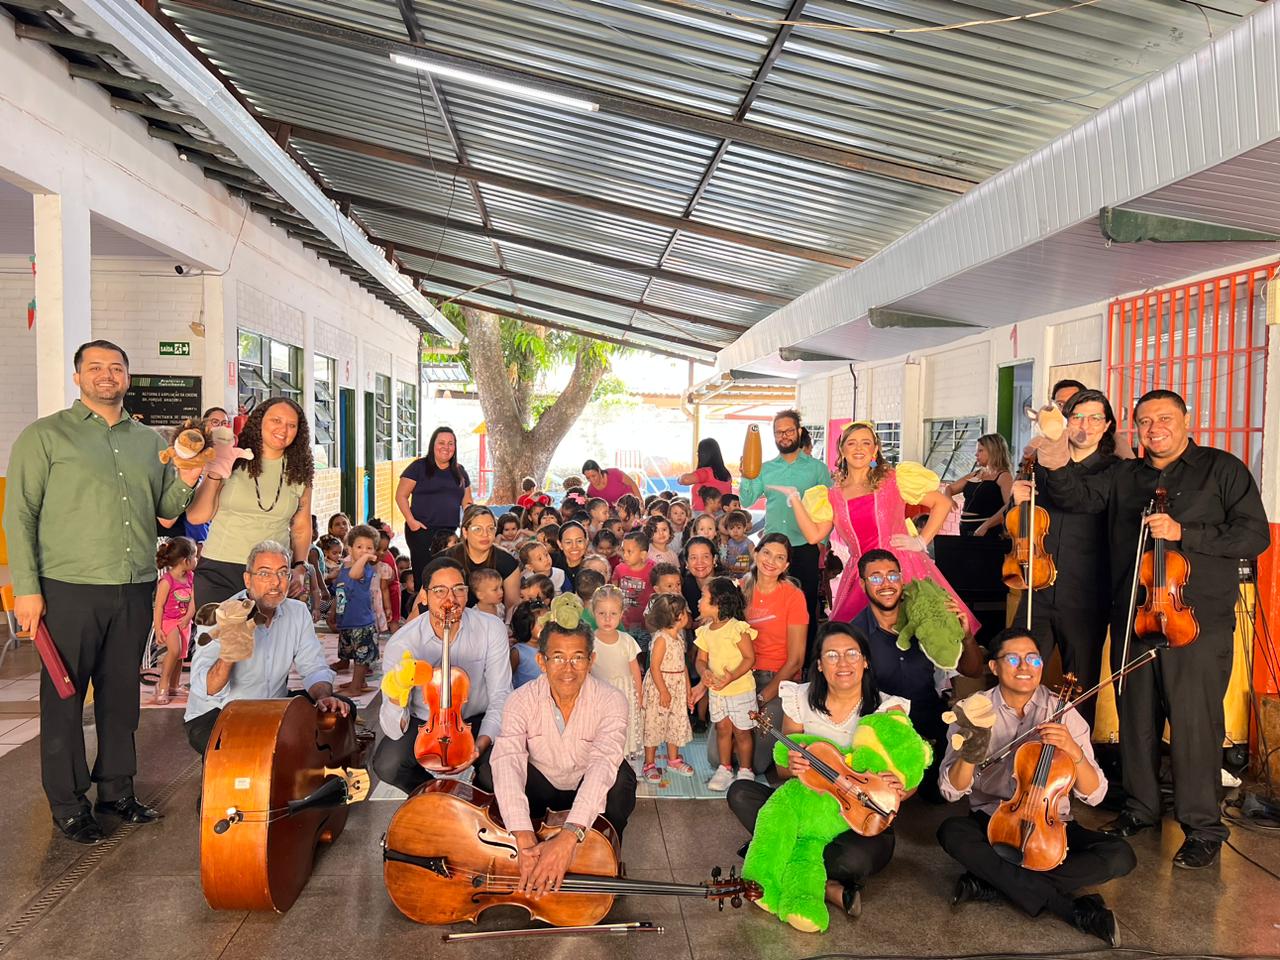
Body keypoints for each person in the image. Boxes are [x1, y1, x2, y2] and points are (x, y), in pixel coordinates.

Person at [1033, 389, 1269, 868]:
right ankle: (1140, 809)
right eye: (1144, 421)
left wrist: (1186, 534)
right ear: (1135, 429)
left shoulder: (1222, 469)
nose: (1154, 428)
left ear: (1187, 419)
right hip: (1134, 618)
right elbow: (1071, 494)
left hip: (1195, 623)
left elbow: (1254, 535)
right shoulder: (1125, 476)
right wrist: (1055, 443)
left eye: (1164, 418)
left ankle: (1202, 826)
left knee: (1195, 726)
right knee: (1135, 720)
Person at [3, 340, 202, 843]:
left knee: (120, 698)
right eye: (95, 368)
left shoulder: (146, 440)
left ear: (128, 378)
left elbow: (165, 508)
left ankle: (116, 790)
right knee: (65, 699)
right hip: (67, 588)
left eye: (116, 367)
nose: (106, 375)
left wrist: (188, 476)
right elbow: (19, 514)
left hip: (133, 586)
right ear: (78, 378)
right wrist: (27, 588)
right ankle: (69, 805)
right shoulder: (45, 436)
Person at [938, 627, 1134, 946]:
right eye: (1013, 658)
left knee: (1119, 854)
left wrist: (1074, 751)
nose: (1025, 666)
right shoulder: (974, 710)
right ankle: (1072, 909)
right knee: (952, 832)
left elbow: (1095, 794)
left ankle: (993, 881)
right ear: (994, 667)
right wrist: (971, 752)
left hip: (1053, 826)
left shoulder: (1063, 711)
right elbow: (950, 790)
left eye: (1033, 658)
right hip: (994, 823)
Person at [727, 622, 912, 920]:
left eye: (852, 654)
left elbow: (909, 778)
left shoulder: (888, 708)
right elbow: (783, 769)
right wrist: (793, 765)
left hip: (859, 815)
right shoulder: (799, 698)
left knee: (857, 860)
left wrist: (900, 785)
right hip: (807, 804)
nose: (843, 663)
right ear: (820, 665)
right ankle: (824, 883)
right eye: (832, 655)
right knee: (740, 793)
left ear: (865, 661)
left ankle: (780, 854)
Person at [487, 613, 638, 895]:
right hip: (541, 787)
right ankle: (522, 853)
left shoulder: (612, 700)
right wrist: (523, 836)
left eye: (577, 657)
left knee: (621, 779)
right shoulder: (520, 700)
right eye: (557, 657)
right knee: (491, 765)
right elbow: (508, 763)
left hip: (589, 787)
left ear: (591, 660)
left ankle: (606, 856)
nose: (568, 668)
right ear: (541, 661)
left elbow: (603, 764)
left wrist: (569, 837)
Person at [779, 420, 975, 631]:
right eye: (852, 443)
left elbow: (942, 503)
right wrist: (795, 500)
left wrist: (920, 541)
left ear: (875, 449)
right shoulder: (832, 495)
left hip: (900, 570)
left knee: (920, 632)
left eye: (866, 442)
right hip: (860, 576)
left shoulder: (893, 480)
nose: (859, 448)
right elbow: (814, 536)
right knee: (852, 636)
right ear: (842, 450)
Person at [1008, 389, 1121, 724]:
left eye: (1094, 418)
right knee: (1017, 666)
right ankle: (1014, 751)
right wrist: (1017, 503)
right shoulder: (1038, 463)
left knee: (1081, 684)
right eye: (1077, 417)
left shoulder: (1115, 471)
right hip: (1037, 589)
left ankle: (1072, 762)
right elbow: (1020, 530)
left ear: (1107, 425)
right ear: (1066, 421)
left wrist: (1053, 453)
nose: (1085, 425)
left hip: (1084, 595)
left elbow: (1077, 498)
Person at [184, 540, 348, 755]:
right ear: (248, 579)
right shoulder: (223, 613)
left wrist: (322, 696)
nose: (275, 583)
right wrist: (229, 653)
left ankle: (317, 780)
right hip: (219, 712)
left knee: (340, 711)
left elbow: (313, 667)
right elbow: (207, 689)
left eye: (282, 573)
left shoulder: (297, 612)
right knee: (250, 748)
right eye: (264, 574)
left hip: (272, 707)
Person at [850, 549, 984, 800]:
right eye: (876, 578)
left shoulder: (926, 617)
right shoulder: (853, 633)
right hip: (881, 726)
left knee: (937, 798)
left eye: (892, 575)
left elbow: (973, 671)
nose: (886, 584)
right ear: (863, 583)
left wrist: (965, 636)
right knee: (883, 801)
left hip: (929, 719)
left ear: (901, 579)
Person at [373, 556, 512, 795]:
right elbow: (392, 728)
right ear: (424, 596)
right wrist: (397, 693)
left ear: (467, 594)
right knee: (388, 764)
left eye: (459, 589)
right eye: (439, 591)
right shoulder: (403, 643)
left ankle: (478, 798)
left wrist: (479, 745)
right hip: (426, 721)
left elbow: (501, 695)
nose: (451, 599)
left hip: (475, 718)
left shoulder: (491, 628)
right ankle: (435, 795)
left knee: (497, 770)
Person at [187, 398, 314, 608]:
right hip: (220, 569)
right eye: (276, 420)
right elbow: (197, 516)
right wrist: (216, 472)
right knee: (218, 640)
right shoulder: (233, 457)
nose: (283, 429)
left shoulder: (299, 471)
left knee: (266, 641)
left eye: (292, 425)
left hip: (271, 574)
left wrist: (300, 566)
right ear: (259, 421)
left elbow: (300, 527)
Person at [739, 410, 833, 652]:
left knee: (805, 605)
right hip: (771, 549)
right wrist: (746, 475)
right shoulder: (765, 468)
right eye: (779, 432)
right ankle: (768, 656)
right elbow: (747, 500)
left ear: (799, 432)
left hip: (805, 547)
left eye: (789, 431)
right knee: (768, 605)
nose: (784, 436)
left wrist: (822, 542)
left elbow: (830, 508)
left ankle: (805, 664)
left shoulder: (817, 469)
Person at [716, 534, 808, 774]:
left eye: (780, 558)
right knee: (716, 756)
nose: (771, 561)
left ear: (786, 565)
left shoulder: (793, 596)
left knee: (755, 763)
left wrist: (762, 696)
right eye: (766, 553)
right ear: (756, 553)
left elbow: (796, 659)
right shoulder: (741, 588)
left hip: (776, 680)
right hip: (740, 676)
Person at [692, 577, 758, 792]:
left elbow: (749, 659)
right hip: (718, 692)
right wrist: (705, 673)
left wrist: (732, 676)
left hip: (740, 690)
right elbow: (700, 660)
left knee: (742, 732)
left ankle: (746, 770)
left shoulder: (736, 628)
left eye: (704, 597)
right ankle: (725, 768)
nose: (699, 601)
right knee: (722, 728)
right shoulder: (705, 631)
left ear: (718, 603)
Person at [396, 426, 473, 592]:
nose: (446, 447)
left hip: (449, 534)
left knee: (447, 576)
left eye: (450, 443)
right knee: (425, 577)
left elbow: (467, 503)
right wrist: (411, 521)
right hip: (421, 531)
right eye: (441, 443)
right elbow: (401, 496)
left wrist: (472, 524)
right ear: (433, 445)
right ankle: (421, 613)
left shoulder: (460, 472)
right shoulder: (418, 467)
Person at [641, 594, 695, 782]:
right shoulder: (661, 639)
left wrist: (688, 688)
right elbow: (654, 667)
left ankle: (673, 760)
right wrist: (663, 690)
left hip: (677, 686)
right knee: (654, 724)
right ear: (679, 616)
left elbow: (683, 665)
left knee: (675, 723)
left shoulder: (678, 638)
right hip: (661, 687)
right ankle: (649, 763)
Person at [589, 585, 644, 759]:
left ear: (621, 615)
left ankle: (624, 757)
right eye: (602, 613)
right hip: (601, 692)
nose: (607, 618)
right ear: (593, 613)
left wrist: (639, 693)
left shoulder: (627, 640)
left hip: (625, 691)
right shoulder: (590, 640)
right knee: (603, 725)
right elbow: (587, 670)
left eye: (613, 614)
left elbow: (634, 668)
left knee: (623, 724)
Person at [443, 505, 521, 609]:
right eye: (477, 529)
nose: (485, 534)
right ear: (465, 532)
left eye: (490, 528)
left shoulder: (507, 562)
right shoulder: (445, 560)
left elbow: (513, 608)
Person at [333, 524, 380, 695]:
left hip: (361, 622)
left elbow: (355, 574)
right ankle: (360, 682)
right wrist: (334, 613)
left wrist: (365, 558)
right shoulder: (344, 570)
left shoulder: (365, 570)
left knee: (361, 656)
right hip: (347, 620)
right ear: (349, 548)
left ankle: (355, 687)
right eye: (359, 547)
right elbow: (340, 591)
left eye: (369, 548)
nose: (364, 551)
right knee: (352, 651)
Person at [151, 536, 198, 705]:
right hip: (169, 621)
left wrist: (187, 617)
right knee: (174, 650)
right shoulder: (167, 581)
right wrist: (158, 628)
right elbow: (159, 606)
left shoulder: (191, 577)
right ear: (186, 560)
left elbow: (194, 599)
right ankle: (162, 685)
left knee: (181, 655)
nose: (196, 560)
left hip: (184, 621)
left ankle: (174, 685)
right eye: (195, 557)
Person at [946, 433, 1014, 537]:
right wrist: (948, 498)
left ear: (993, 452)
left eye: (980, 450)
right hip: (965, 529)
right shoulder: (976, 473)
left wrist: (986, 525)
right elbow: (950, 488)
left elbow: (1010, 506)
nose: (976, 454)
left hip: (987, 531)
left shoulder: (1004, 476)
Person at [612, 531, 655, 646]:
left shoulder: (653, 570)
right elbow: (613, 592)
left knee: (642, 653)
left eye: (629, 552)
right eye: (623, 551)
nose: (625, 555)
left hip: (646, 624)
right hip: (624, 623)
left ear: (643, 554)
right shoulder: (619, 569)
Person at [679, 438, 733, 512]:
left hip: (704, 516)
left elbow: (685, 480)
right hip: (724, 516)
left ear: (703, 454)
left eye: (698, 453)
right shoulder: (726, 474)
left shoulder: (705, 472)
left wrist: (679, 479)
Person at [508, 601, 544, 689]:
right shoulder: (517, 652)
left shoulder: (548, 647)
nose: (546, 626)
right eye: (541, 623)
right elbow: (507, 679)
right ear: (526, 625)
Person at [551, 520, 590, 592]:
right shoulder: (550, 563)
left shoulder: (592, 566)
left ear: (586, 542)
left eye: (579, 541)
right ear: (560, 544)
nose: (574, 546)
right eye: (568, 542)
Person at [721, 509, 755, 576]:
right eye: (731, 528)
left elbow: (755, 560)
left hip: (745, 576)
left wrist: (749, 569)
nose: (735, 531)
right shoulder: (728, 542)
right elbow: (723, 560)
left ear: (744, 528)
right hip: (731, 575)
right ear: (727, 530)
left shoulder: (749, 544)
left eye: (738, 528)